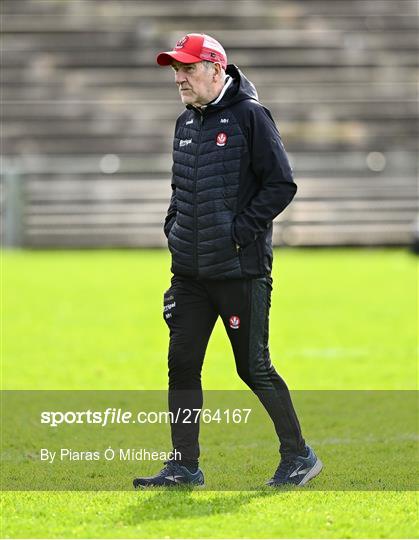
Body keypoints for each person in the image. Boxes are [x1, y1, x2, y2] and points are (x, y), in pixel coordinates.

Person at [133, 33, 322, 488]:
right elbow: (180, 191)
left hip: (242, 270)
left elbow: (281, 184)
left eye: (189, 68)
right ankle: (184, 466)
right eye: (176, 70)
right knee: (181, 365)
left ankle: (299, 456)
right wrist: (174, 229)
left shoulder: (251, 116)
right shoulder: (184, 123)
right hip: (190, 275)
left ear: (217, 69)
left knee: (252, 368)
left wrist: (237, 235)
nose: (180, 77)